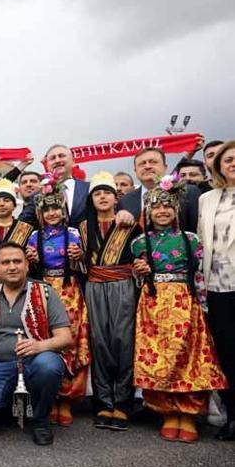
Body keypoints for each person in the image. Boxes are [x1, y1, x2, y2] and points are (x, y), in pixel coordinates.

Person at [131, 176, 226, 443]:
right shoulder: (139, 243)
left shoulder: (192, 240)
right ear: (149, 212)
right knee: (158, 358)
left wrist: (203, 307)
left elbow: (199, 277)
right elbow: (137, 279)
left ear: (176, 210)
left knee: (189, 358)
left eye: (167, 207)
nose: (162, 211)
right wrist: (140, 272)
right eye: (157, 207)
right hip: (152, 306)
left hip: (185, 304)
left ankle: (189, 414)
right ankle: (168, 413)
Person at [0, 242, 73, 446]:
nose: (12, 267)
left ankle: (40, 420)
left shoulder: (45, 292)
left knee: (48, 366)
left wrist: (40, 346)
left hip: (36, 360)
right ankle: (5, 407)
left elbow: (65, 337)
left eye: (17, 261)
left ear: (27, 265)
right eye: (6, 262)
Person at [79, 172, 141, 431]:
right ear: (91, 199)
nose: (102, 197)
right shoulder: (83, 228)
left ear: (117, 198)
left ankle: (123, 402)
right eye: (97, 193)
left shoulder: (131, 224)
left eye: (107, 192)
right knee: (99, 342)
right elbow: (81, 263)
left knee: (123, 341)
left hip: (122, 286)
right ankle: (103, 401)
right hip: (94, 287)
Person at [26, 176, 89, 427]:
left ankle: (67, 400)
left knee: (69, 342)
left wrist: (79, 257)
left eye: (56, 208)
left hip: (69, 291)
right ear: (40, 212)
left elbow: (85, 265)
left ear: (63, 211)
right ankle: (49, 397)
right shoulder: (33, 236)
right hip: (43, 291)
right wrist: (30, 258)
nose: (52, 213)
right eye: (47, 209)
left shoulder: (75, 234)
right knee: (45, 340)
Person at [198, 141, 235, 440]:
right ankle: (233, 416)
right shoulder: (207, 199)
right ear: (218, 166)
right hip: (218, 286)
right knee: (227, 351)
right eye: (228, 160)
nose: (233, 163)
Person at [116, 147, 200, 232]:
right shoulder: (125, 201)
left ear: (165, 167)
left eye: (153, 162)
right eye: (142, 164)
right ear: (135, 170)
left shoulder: (188, 192)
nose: (147, 166)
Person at [0, 179, 34, 284]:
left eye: (6, 200)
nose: (2, 204)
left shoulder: (23, 228)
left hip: (17, 280)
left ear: (14, 205)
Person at [20, 145, 90, 226]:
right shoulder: (38, 194)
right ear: (47, 164)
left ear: (73, 161)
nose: (57, 160)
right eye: (52, 158)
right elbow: (23, 224)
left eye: (61, 156)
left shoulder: (88, 189)